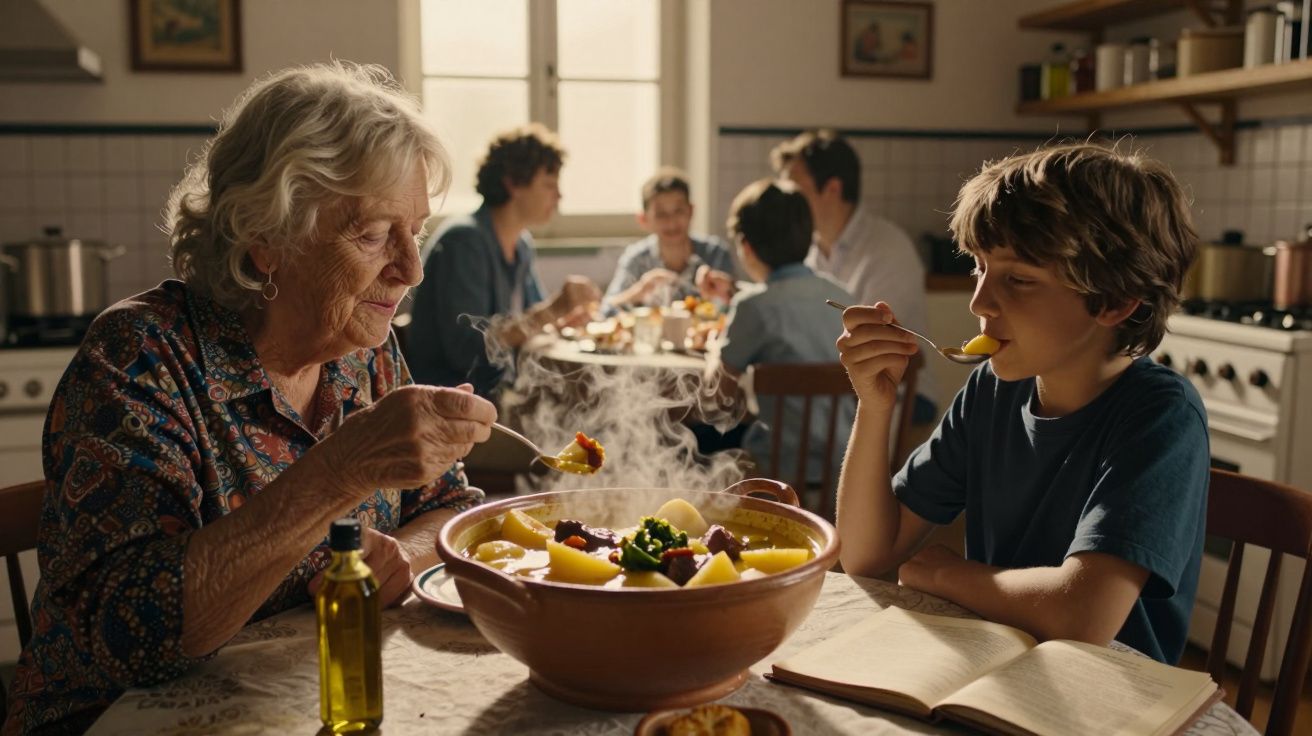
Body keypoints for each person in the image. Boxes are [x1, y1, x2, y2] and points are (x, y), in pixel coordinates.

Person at [1, 62, 498, 735]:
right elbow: (134, 636)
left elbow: (452, 510)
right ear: (266, 238)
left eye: (416, 231)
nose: (411, 269)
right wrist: (341, 471)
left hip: (294, 700)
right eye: (374, 234)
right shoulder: (142, 356)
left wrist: (397, 557)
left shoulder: (361, 349)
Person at [834, 142, 1208, 665]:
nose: (979, 301)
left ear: (1115, 301)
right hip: (997, 664)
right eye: (979, 269)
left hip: (1109, 688)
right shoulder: (993, 390)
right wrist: (874, 408)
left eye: (1018, 279)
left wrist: (946, 574)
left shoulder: (1160, 415)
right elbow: (866, 555)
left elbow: (1083, 616)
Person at [407, 124, 600, 398]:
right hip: (453, 395)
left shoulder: (521, 245)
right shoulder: (464, 241)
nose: (559, 196)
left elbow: (531, 319)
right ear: (513, 183)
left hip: (500, 388)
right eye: (549, 184)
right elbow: (467, 352)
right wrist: (553, 310)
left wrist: (563, 318)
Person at [772, 129, 937, 420]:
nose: (785, 204)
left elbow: (872, 345)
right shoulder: (810, 250)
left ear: (832, 189)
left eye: (795, 191)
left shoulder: (888, 248)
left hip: (902, 394)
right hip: (836, 388)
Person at [702, 178, 854, 483]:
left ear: (746, 247)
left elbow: (716, 398)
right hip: (846, 465)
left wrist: (714, 347)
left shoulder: (753, 307)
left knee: (699, 439)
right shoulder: (842, 296)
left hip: (781, 469)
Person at [602, 167, 736, 313]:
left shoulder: (715, 253)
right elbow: (604, 312)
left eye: (679, 211)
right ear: (644, 219)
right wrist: (639, 291)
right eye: (661, 214)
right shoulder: (637, 259)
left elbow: (740, 307)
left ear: (691, 211)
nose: (671, 222)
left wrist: (724, 289)